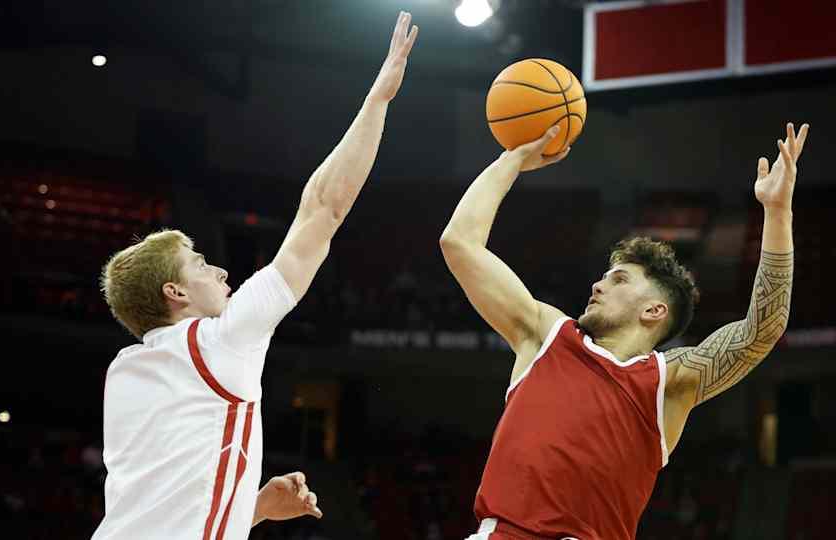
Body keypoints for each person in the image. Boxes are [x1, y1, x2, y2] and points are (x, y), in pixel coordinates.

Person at [92, 11, 418, 540]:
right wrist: (377, 101)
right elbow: (323, 209)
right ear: (174, 292)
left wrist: (253, 508)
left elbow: (163, 504)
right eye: (199, 265)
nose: (219, 270)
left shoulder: (126, 371)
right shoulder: (218, 342)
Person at [440, 122, 809, 540]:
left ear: (654, 310)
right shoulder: (545, 335)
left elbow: (762, 331)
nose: (598, 285)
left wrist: (778, 214)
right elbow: (461, 244)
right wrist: (511, 161)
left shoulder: (668, 382)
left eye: (618, 280)